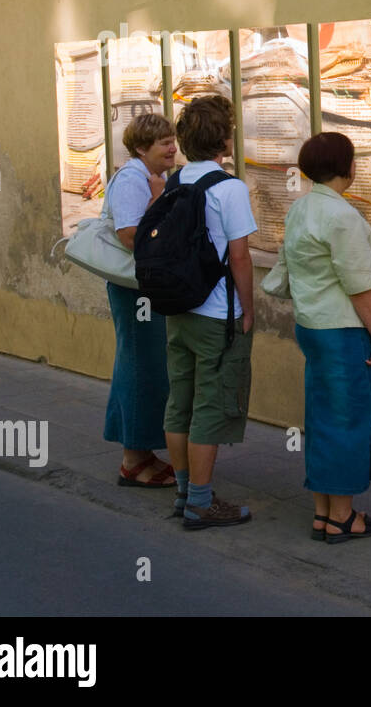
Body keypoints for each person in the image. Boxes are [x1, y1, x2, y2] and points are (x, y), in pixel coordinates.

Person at [264, 132, 371, 543]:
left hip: (313, 326)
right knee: (349, 420)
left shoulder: (302, 207)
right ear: (349, 166)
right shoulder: (341, 216)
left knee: (323, 419)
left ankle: (323, 512)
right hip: (344, 330)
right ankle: (343, 517)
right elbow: (359, 285)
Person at [161, 95, 258, 529]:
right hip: (217, 313)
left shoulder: (176, 179)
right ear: (224, 138)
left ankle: (184, 492)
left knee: (180, 399)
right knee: (210, 406)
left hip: (180, 307)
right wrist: (249, 309)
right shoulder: (229, 188)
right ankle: (201, 501)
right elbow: (240, 257)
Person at [105, 113, 177, 487]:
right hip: (134, 288)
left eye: (172, 139)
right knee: (139, 363)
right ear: (140, 148)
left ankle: (142, 452)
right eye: (162, 142)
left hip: (146, 286)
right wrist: (157, 200)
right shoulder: (133, 180)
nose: (171, 147)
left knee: (148, 364)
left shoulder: (152, 177)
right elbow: (131, 235)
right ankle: (133, 460)